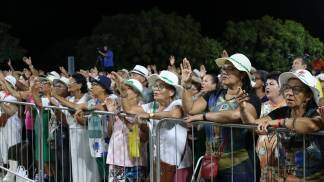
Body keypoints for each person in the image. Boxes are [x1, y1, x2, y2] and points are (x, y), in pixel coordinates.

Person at [183, 53, 261, 181]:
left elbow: (236, 115)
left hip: (238, 166)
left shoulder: (251, 98)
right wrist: (186, 85)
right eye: (223, 69)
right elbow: (190, 109)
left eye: (230, 69)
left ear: (242, 74)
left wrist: (203, 116)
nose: (224, 72)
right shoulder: (213, 95)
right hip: (211, 164)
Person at [255, 69, 324, 181]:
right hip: (287, 176)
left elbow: (310, 125)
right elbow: (257, 123)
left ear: (308, 96)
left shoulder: (315, 112)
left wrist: (280, 122)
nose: (289, 93)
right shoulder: (283, 111)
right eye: (287, 88)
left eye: (296, 89)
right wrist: (244, 108)